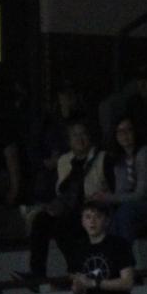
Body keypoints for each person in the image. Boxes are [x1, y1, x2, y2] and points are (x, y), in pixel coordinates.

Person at [24, 120, 110, 285]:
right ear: (69, 140)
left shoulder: (101, 157)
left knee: (62, 225)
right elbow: (62, 191)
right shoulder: (64, 161)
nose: (79, 138)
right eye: (75, 135)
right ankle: (37, 274)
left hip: (93, 210)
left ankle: (77, 270)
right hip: (69, 210)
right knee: (41, 220)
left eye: (83, 133)